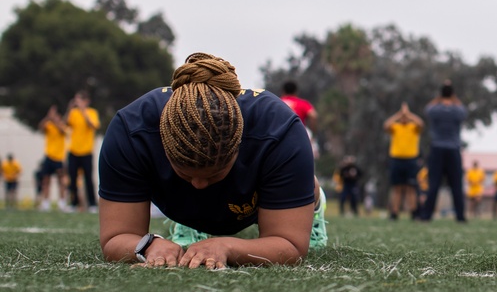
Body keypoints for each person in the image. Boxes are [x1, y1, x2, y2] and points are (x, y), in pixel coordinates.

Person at [97, 52, 328, 268]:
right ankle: (190, 221)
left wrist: (227, 246)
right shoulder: (131, 132)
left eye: (214, 173)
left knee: (305, 185)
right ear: (163, 146)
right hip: (178, 199)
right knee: (198, 188)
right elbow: (116, 236)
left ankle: (313, 206)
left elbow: (289, 243)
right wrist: (148, 245)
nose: (198, 185)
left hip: (251, 198)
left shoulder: (280, 132)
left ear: (240, 144)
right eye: (186, 174)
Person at [420, 81, 468, 222]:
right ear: (452, 94)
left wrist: (439, 98)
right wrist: (454, 98)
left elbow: (427, 109)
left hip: (437, 149)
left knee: (433, 184)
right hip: (453, 149)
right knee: (456, 185)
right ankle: (460, 217)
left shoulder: (436, 109)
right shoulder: (457, 110)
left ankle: (426, 216)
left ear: (441, 94)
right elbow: (463, 111)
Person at [383, 103, 424, 221]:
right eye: (403, 116)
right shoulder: (395, 127)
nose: (404, 118)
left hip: (411, 160)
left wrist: (409, 114)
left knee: (411, 187)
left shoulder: (413, 127)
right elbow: (386, 125)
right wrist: (399, 114)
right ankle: (394, 213)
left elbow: (421, 124)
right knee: (397, 187)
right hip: (396, 160)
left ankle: (414, 212)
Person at [65, 91, 100, 212]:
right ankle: (73, 203)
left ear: (86, 101)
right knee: (73, 179)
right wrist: (70, 109)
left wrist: (83, 110)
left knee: (88, 179)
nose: (78, 103)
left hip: (86, 151)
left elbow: (93, 125)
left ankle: (92, 204)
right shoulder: (73, 113)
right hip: (73, 151)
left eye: (80, 100)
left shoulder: (92, 112)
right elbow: (66, 123)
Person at [37, 105, 68, 211]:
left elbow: (62, 132)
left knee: (61, 182)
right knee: (46, 181)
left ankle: (62, 203)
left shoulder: (62, 126)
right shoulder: (49, 125)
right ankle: (45, 203)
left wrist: (54, 120)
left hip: (59, 158)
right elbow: (40, 127)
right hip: (48, 157)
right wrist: (48, 117)